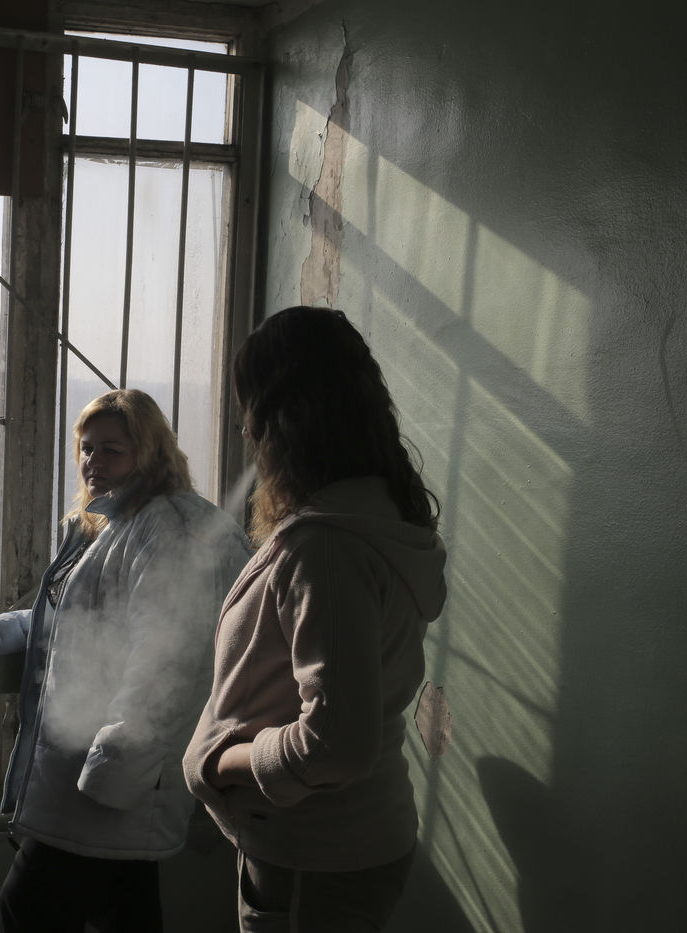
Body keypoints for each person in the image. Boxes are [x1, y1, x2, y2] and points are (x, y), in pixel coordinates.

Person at [0, 388, 251, 932]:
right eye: (86, 448)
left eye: (112, 449)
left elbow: (169, 661)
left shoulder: (167, 528)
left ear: (149, 452)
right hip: (102, 774)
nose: (93, 461)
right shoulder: (118, 521)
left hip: (110, 776)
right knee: (124, 914)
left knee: (27, 906)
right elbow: (86, 616)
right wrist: (6, 631)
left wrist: (113, 773)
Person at [182, 307, 448, 932]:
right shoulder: (372, 519)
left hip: (315, 857)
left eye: (250, 412)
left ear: (285, 418)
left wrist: (223, 762)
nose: (247, 432)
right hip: (335, 847)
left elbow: (336, 742)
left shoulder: (325, 549)